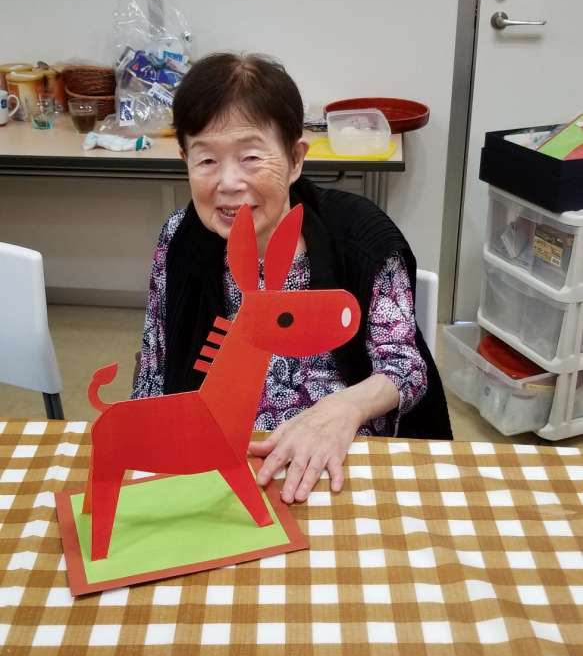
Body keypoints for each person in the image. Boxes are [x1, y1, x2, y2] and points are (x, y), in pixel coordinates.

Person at [133, 52, 452, 502]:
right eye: (206, 161)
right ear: (185, 159)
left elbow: (405, 368)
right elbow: (154, 369)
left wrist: (343, 407)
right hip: (217, 462)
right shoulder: (179, 238)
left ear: (296, 159)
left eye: (250, 157)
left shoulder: (358, 237)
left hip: (340, 459)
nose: (228, 183)